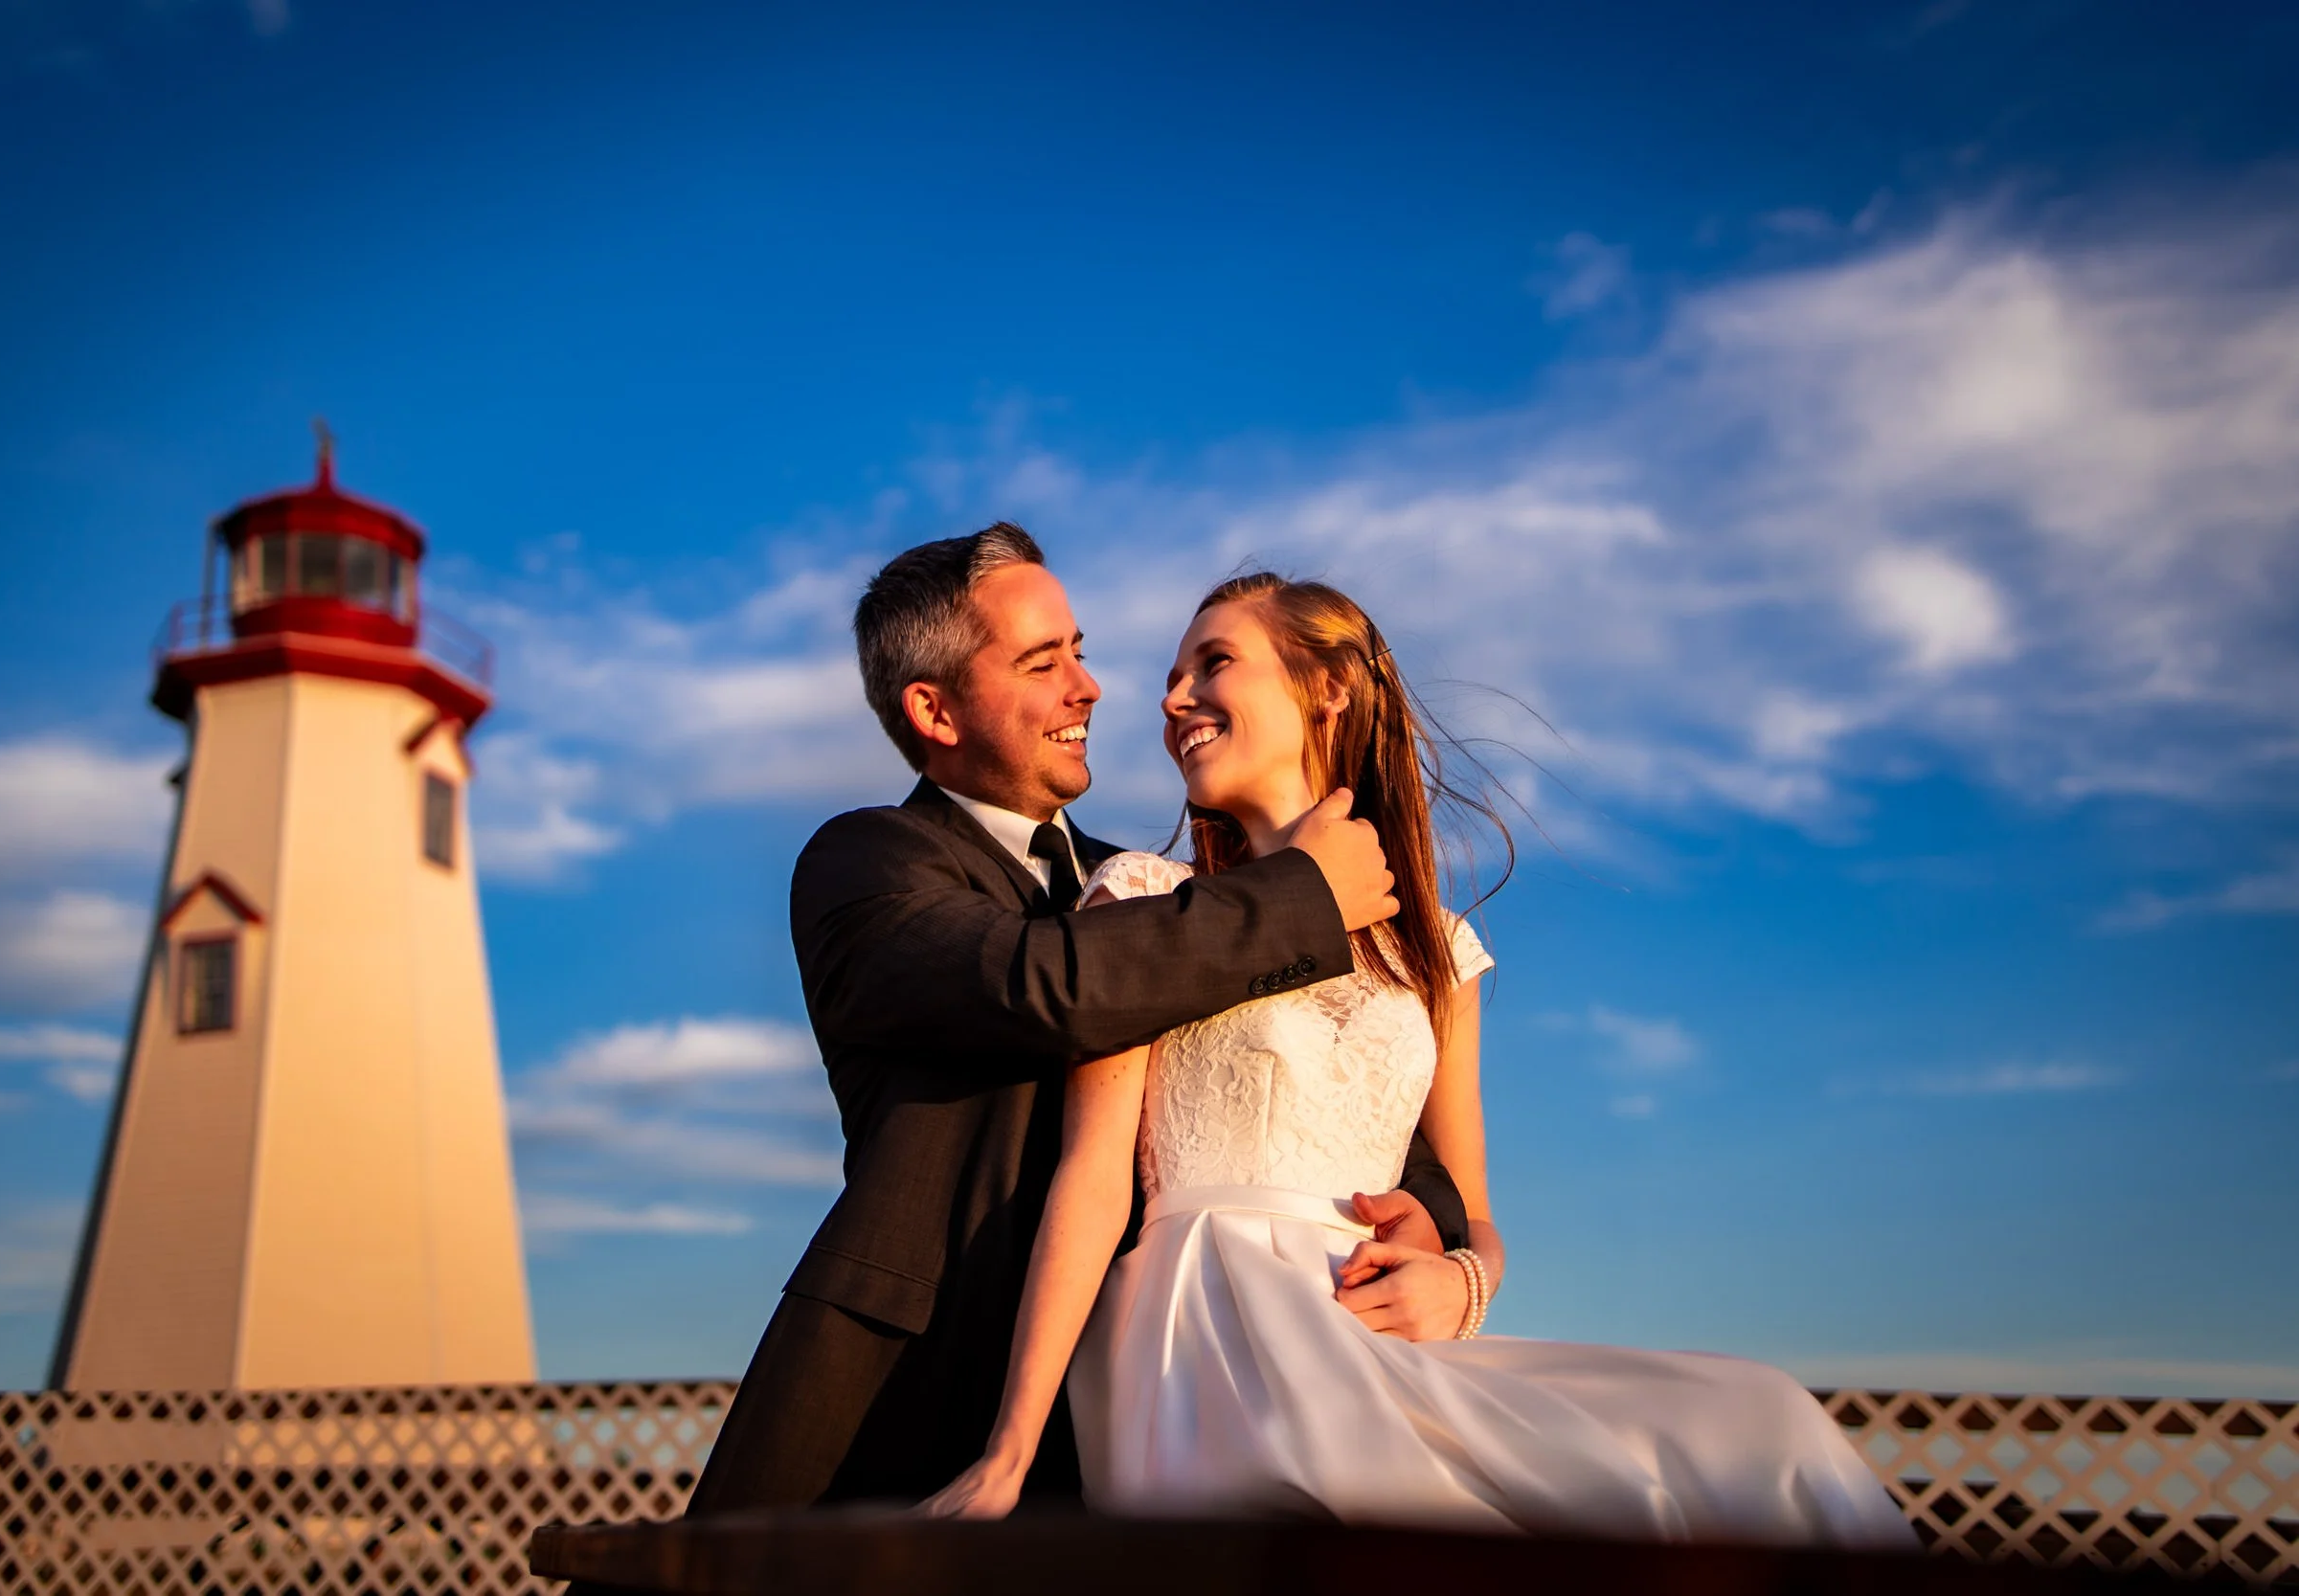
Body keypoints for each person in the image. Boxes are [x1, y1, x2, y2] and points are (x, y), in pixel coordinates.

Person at [920, 573, 1921, 1547]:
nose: (1172, 697)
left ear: (1329, 685)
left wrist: (1463, 1280)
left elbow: (1475, 1212)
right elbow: (1090, 1177)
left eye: (1212, 661)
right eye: (1172, 675)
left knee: (1758, 1420)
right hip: (1209, 1335)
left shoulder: (1436, 949)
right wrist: (1009, 1449)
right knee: (1400, 1501)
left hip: (1380, 1330)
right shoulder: (1143, 893)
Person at [682, 528, 1481, 1515]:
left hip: (1182, 1381)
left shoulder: (1180, 896)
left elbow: (1354, 1118)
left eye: (1081, 649)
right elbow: (1040, 985)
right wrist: (1301, 894)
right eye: (1042, 660)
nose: (1091, 686)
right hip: (921, 1394)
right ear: (933, 709)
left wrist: (1446, 1251)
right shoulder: (865, 865)